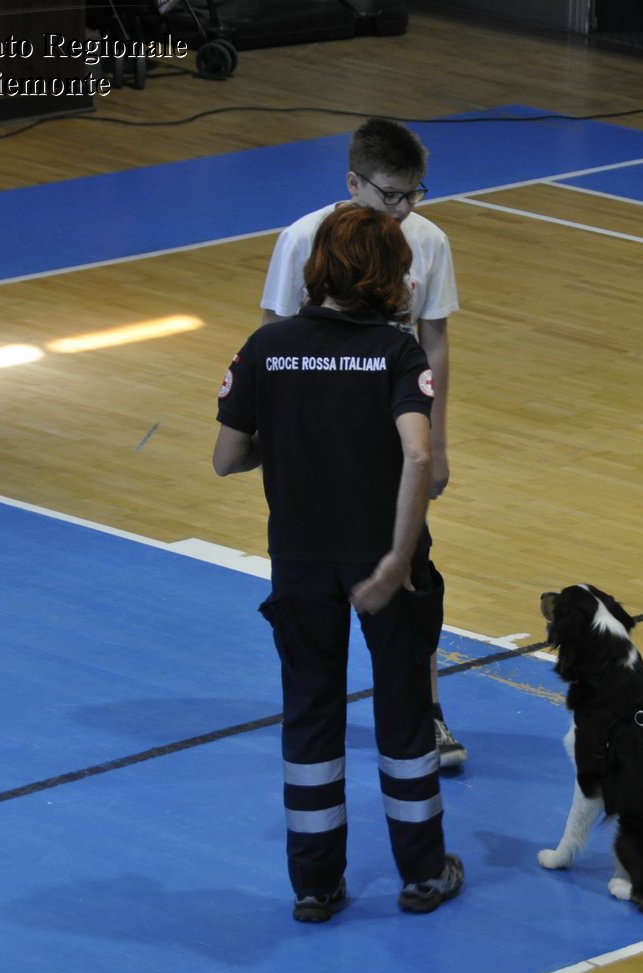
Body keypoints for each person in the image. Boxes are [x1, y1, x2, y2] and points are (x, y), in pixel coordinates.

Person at [215, 204, 463, 922]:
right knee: (404, 712)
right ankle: (421, 874)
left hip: (298, 563)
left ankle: (316, 886)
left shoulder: (265, 347)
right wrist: (393, 559)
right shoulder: (395, 353)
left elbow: (227, 457)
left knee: (311, 715)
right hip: (383, 563)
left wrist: (291, 443)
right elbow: (418, 453)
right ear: (385, 276)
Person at [261, 116, 468, 770]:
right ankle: (318, 717)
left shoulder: (428, 241)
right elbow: (274, 338)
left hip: (393, 441)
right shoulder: (302, 240)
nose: (404, 209)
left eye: (415, 194)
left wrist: (435, 438)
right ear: (353, 182)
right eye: (390, 195)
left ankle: (423, 713)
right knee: (315, 591)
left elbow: (434, 339)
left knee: (413, 579)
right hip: (324, 445)